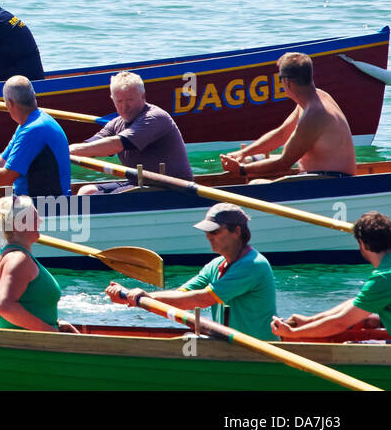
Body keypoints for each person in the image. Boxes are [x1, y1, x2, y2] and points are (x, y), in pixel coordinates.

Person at [107, 202, 278, 342]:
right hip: (230, 347)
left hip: (259, 351)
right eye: (206, 231)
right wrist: (131, 298)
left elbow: (202, 299)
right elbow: (181, 296)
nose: (208, 236)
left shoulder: (252, 265)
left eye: (214, 231)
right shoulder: (215, 265)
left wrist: (142, 298)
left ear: (237, 231)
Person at [220, 52, 358, 181]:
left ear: (287, 83)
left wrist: (241, 170)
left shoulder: (314, 115)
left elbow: (283, 163)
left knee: (255, 184)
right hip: (324, 177)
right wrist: (242, 154)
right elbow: (282, 134)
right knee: (255, 159)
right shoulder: (316, 98)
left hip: (331, 181)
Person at [273, 211, 391, 340]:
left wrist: (292, 333)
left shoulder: (383, 277)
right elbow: (355, 303)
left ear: (362, 244)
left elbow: (340, 323)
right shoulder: (384, 276)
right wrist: (310, 321)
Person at [72, 70, 193, 194]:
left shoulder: (154, 117)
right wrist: (63, 152)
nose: (124, 107)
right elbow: (89, 146)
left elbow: (116, 144)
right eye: (119, 101)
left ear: (143, 97)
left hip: (173, 186)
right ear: (112, 100)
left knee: (109, 198)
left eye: (130, 100)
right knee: (87, 191)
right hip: (138, 181)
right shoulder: (115, 123)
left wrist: (70, 151)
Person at [0, 194, 75, 332]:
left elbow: (31, 303)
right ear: (19, 224)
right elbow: (5, 306)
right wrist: (49, 330)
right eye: (35, 218)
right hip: (32, 345)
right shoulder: (18, 259)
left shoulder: (13, 254)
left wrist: (56, 323)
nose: (40, 221)